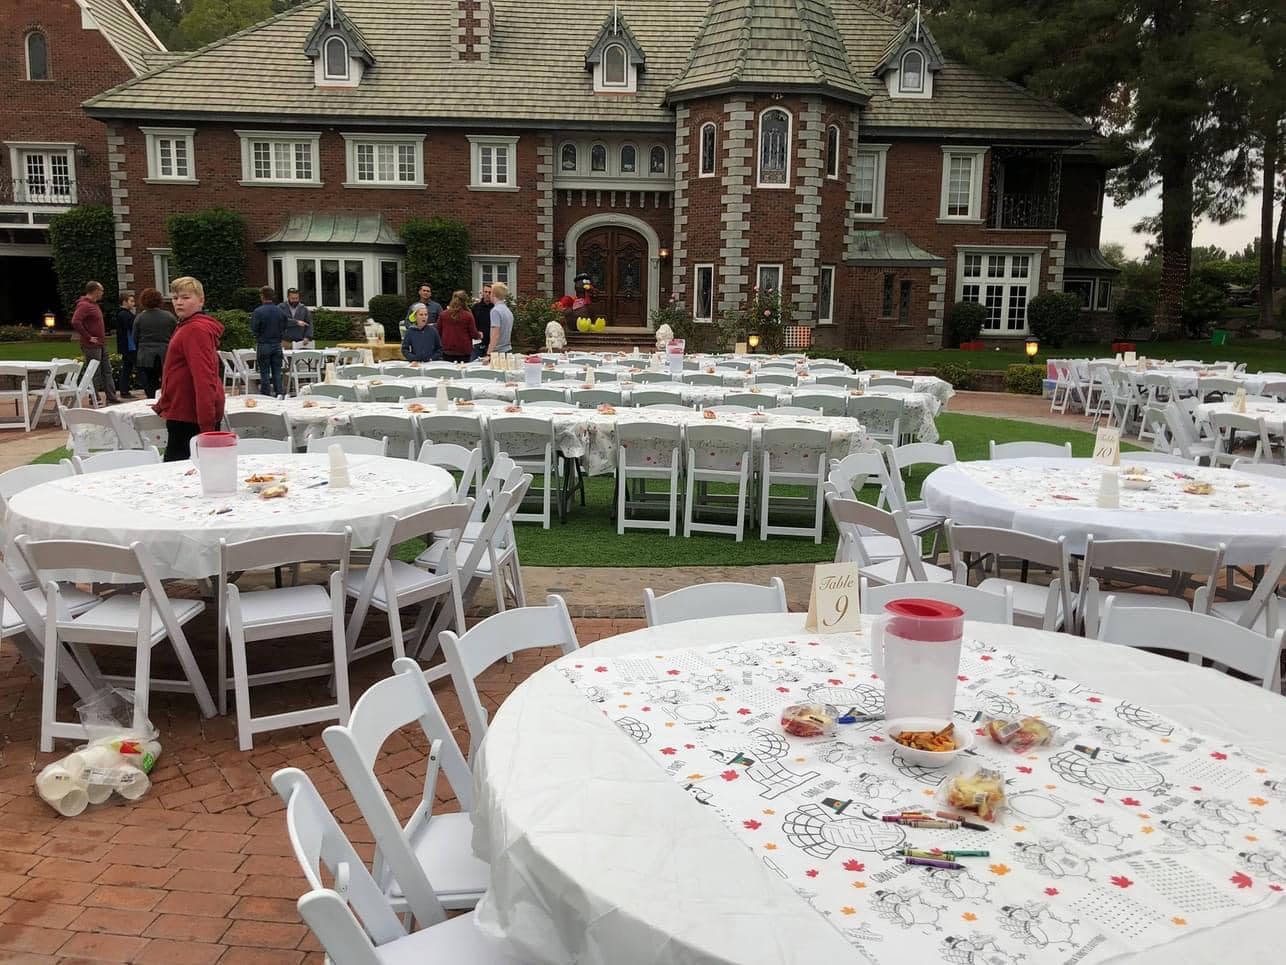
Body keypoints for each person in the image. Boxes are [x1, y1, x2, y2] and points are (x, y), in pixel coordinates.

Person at [154, 276, 225, 462]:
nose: (179, 302)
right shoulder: (186, 326)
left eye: (186, 298)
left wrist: (207, 425)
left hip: (190, 416)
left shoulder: (195, 330)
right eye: (175, 297)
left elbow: (204, 377)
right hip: (183, 411)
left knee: (179, 470)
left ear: (201, 300)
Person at [70, 281, 119, 405]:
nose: (102, 293)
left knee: (107, 370)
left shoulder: (94, 305)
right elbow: (75, 321)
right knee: (94, 371)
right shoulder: (84, 305)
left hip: (101, 343)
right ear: (95, 291)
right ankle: (94, 397)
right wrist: (88, 337)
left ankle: (111, 397)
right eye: (101, 290)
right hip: (91, 345)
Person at [131, 288, 176, 399]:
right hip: (165, 354)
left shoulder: (140, 318)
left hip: (146, 356)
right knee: (167, 381)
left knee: (150, 383)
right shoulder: (169, 316)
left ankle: (152, 400)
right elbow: (176, 334)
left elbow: (134, 338)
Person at [251, 285, 287, 397]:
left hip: (264, 344)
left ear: (262, 296)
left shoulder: (258, 311)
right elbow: (284, 326)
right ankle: (279, 394)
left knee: (264, 372)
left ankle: (266, 395)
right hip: (277, 344)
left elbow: (254, 328)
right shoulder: (280, 311)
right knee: (277, 371)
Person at [437, 290, 480, 364]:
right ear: (465, 301)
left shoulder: (443, 314)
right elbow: (473, 334)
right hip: (464, 350)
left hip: (447, 349)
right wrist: (479, 335)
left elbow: (438, 331)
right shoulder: (468, 315)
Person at [115, 290, 137, 397]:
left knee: (127, 368)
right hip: (130, 346)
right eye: (131, 301)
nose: (133, 303)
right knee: (137, 367)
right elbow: (132, 326)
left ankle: (124, 390)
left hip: (127, 346)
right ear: (124, 302)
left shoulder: (123, 314)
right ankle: (124, 390)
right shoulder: (125, 315)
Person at [485, 281, 514, 360]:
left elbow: (495, 334)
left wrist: (488, 354)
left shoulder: (495, 311)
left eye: (490, 292)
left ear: (493, 294)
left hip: (498, 353)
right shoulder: (507, 310)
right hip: (508, 350)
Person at [470, 282, 492, 360]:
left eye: (490, 292)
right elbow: (471, 324)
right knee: (473, 363)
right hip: (478, 343)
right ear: (482, 293)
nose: (487, 294)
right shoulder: (476, 307)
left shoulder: (495, 308)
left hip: (491, 343)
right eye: (485, 292)